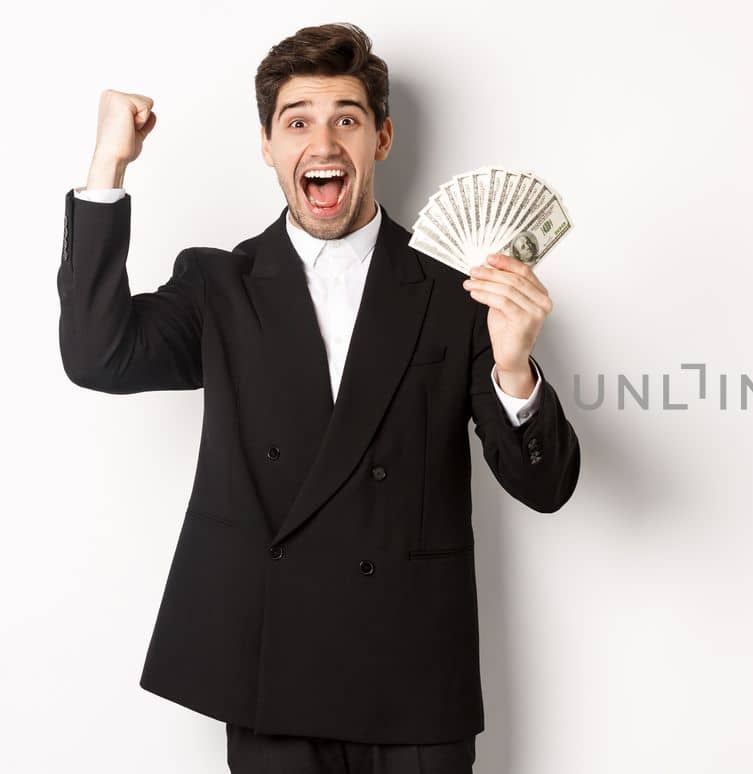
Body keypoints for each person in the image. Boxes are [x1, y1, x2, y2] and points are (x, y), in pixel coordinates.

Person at [56, 22, 581, 773]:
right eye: (297, 121)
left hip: (414, 673)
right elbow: (96, 355)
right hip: (274, 664)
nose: (323, 142)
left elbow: (546, 486)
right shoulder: (218, 287)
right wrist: (109, 163)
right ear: (268, 146)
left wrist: (516, 365)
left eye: (347, 118)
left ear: (383, 139)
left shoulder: (455, 291)